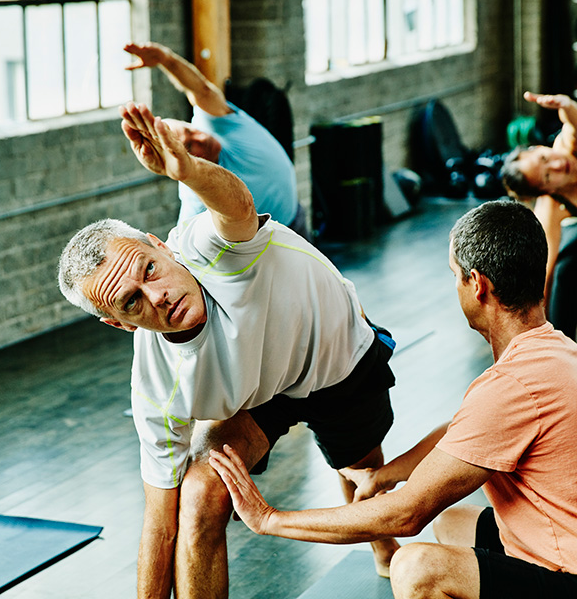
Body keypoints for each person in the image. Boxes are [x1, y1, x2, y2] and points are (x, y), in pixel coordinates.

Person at [57, 102, 399, 598]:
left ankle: (383, 551)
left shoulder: (206, 245)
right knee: (198, 498)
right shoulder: (156, 387)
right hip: (259, 388)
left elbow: (236, 206)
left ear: (162, 246)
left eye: (149, 270)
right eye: (132, 301)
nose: (158, 296)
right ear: (119, 324)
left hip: (334, 355)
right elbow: (161, 523)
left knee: (362, 474)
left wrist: (188, 171)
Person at [210, 198, 577, 599]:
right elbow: (463, 434)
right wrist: (382, 476)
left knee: (416, 568)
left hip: (568, 573)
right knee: (452, 523)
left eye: (454, 275)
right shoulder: (554, 351)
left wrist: (270, 519)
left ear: (477, 284)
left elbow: (407, 515)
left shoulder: (512, 384)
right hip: (558, 538)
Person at [123, 41, 310, 240]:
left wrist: (166, 59)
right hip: (273, 245)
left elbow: (200, 89)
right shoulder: (196, 199)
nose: (201, 138)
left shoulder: (215, 122)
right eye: (189, 146)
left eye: (190, 130)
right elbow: (184, 249)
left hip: (295, 217)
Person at [501, 91, 577, 340]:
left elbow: (572, 125)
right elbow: (545, 273)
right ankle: (560, 354)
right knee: (566, 270)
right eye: (547, 177)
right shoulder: (552, 208)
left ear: (540, 147)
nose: (557, 165)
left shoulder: (568, 147)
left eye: (545, 157)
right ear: (545, 190)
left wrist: (566, 106)